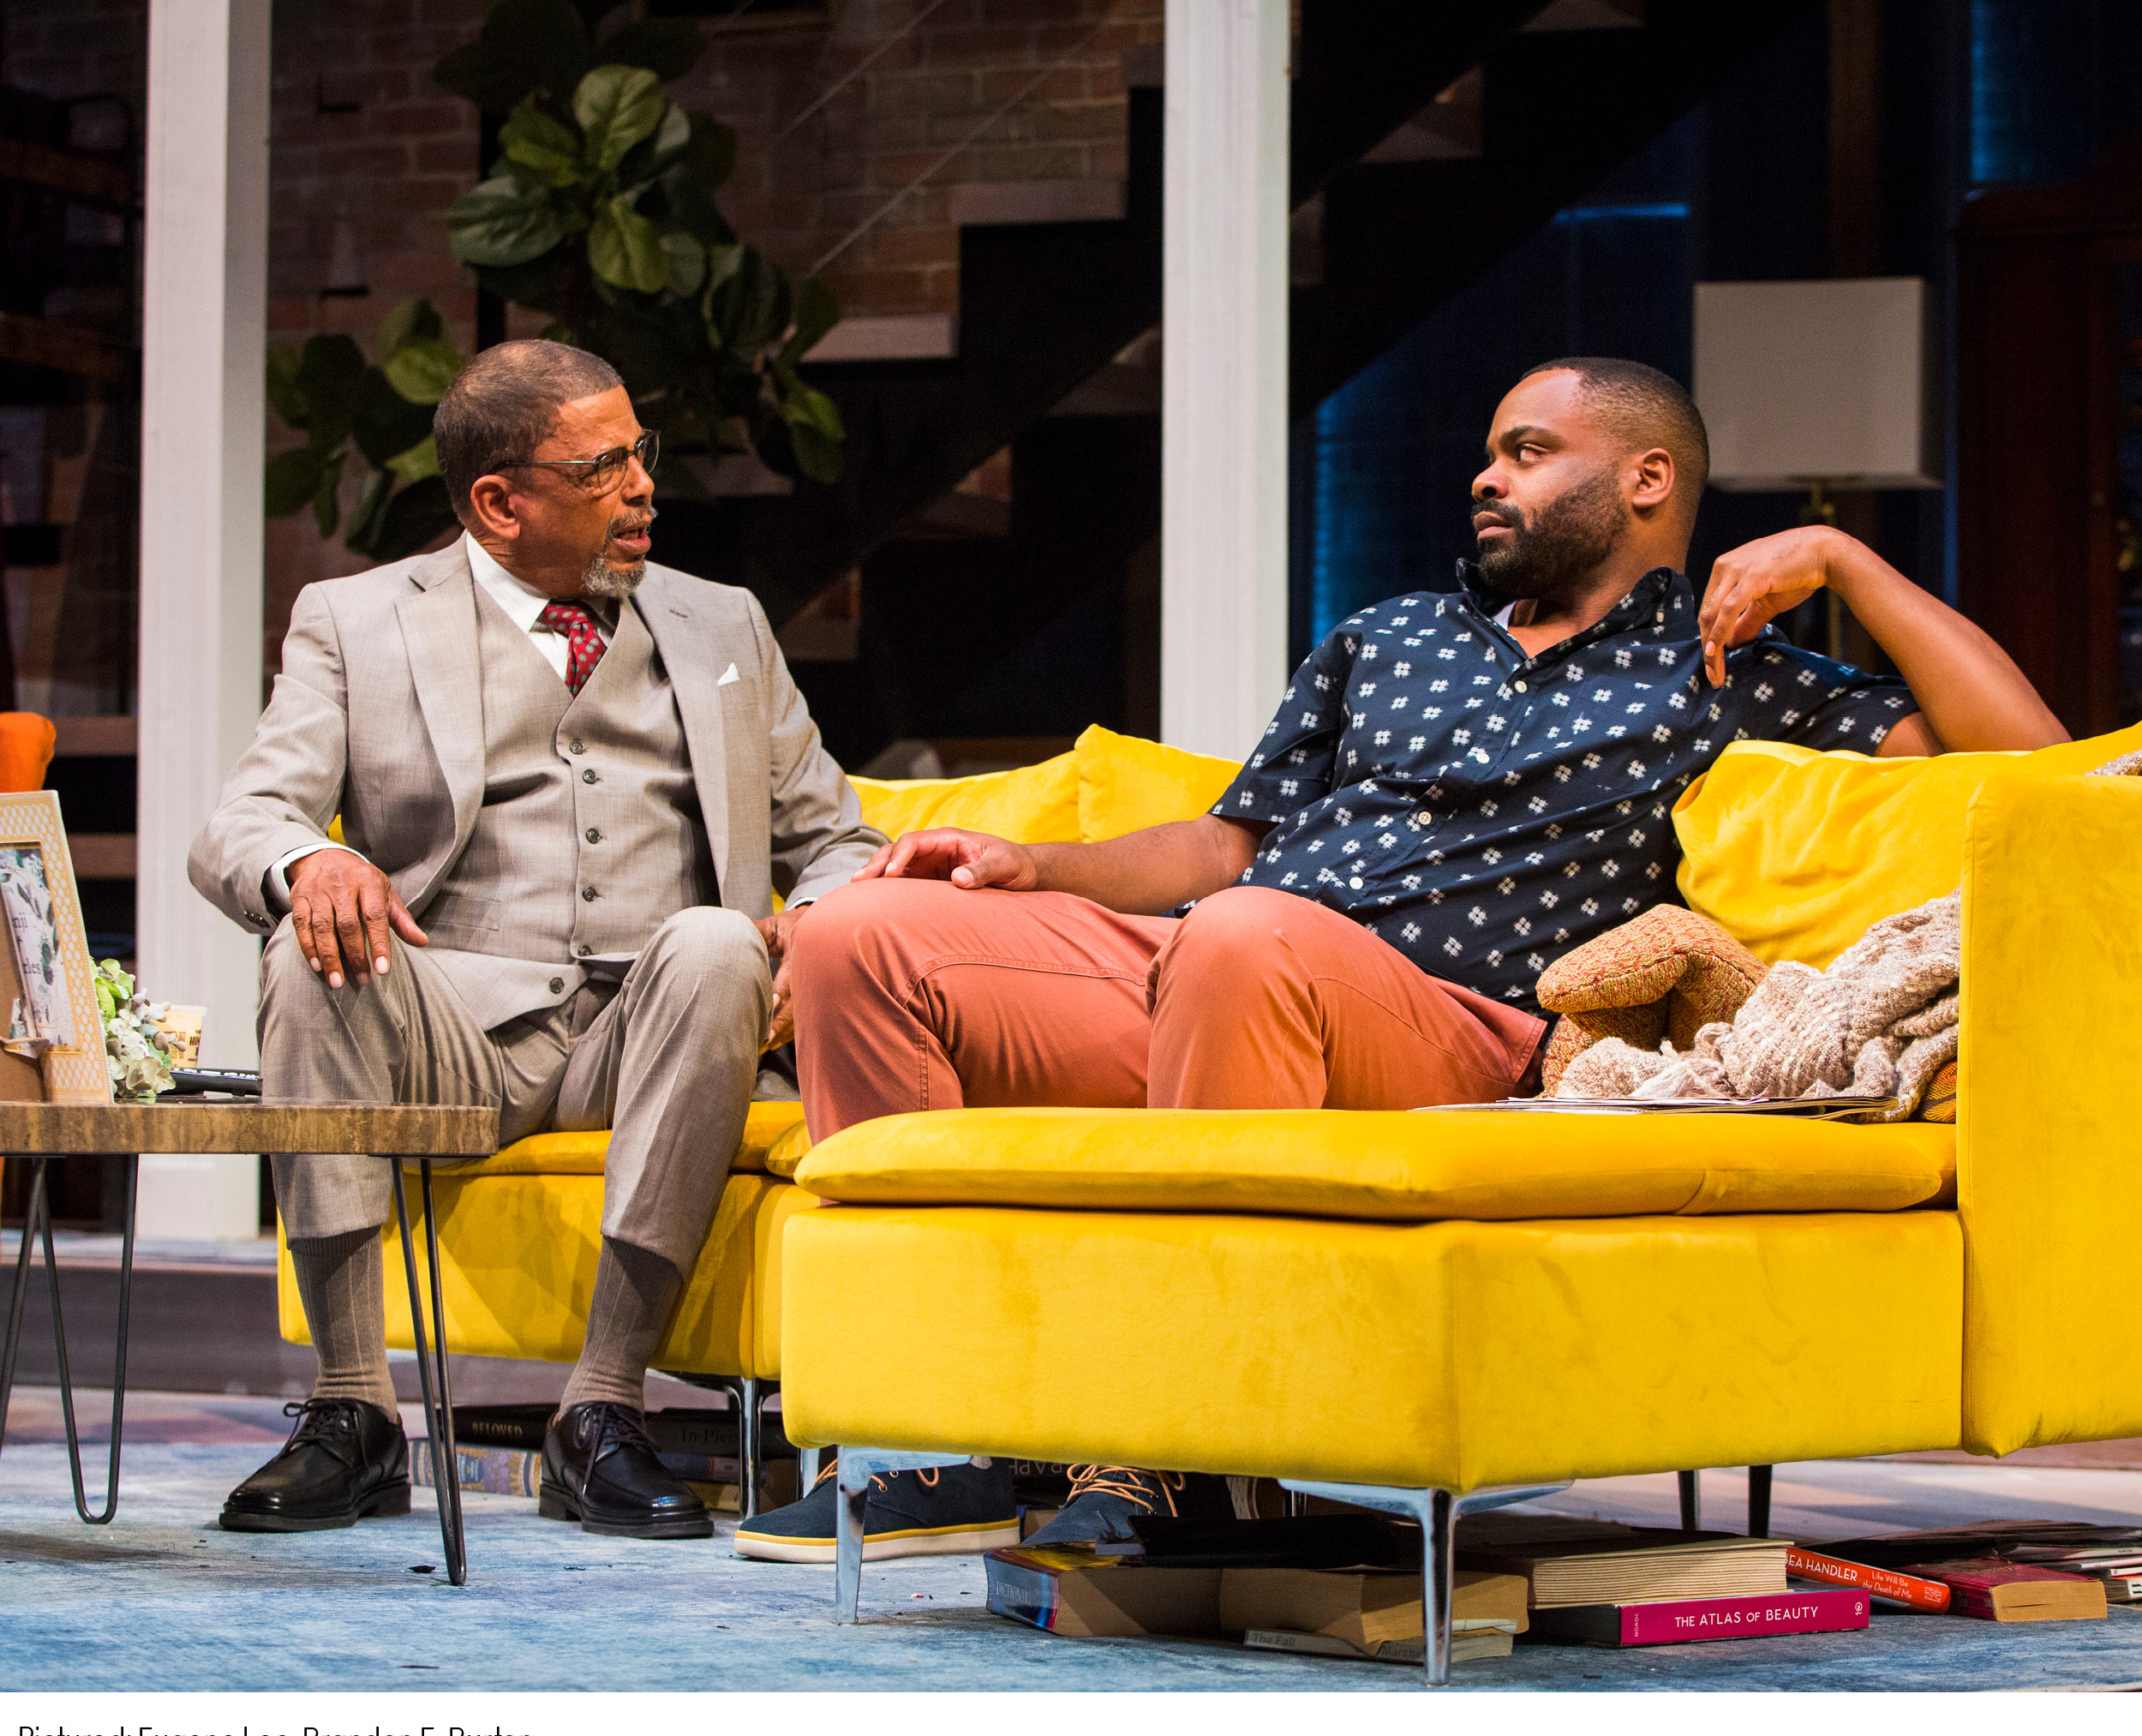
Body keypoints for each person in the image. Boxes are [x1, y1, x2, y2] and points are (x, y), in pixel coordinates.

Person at [733, 354, 2067, 1565]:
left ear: (1648, 479)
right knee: (862, 930)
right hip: (1219, 969)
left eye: (1528, 451)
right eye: (1487, 452)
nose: (1487, 476)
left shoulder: (1724, 673)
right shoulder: (1387, 637)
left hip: (1450, 1026)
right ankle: (925, 1447)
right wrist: (1035, 865)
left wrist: (1845, 558)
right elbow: (1229, 844)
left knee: (1253, 939)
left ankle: (1189, 1453)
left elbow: (2039, 762)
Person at [189, 340, 882, 1541]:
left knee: (720, 943)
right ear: (499, 502)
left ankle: (601, 1411)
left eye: (639, 452)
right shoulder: (356, 621)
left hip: (654, 1025)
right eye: (602, 466)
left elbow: (841, 839)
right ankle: (353, 1411)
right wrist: (313, 861)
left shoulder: (720, 623)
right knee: (310, 949)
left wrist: (817, 920)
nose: (643, 486)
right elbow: (241, 822)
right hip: (453, 1027)